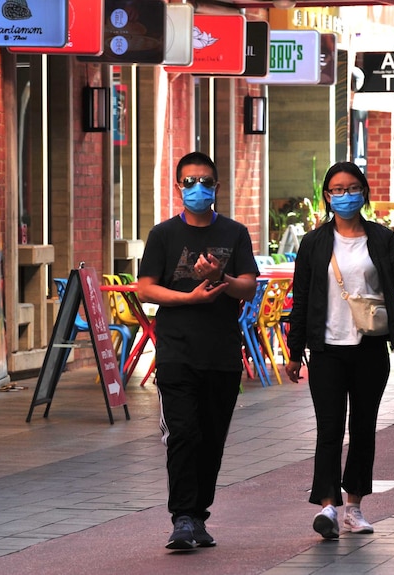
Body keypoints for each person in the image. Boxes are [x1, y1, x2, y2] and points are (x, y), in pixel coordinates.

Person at [284, 161, 394, 539]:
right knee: (329, 429)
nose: (344, 196)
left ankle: (354, 506)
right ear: (327, 197)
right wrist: (295, 351)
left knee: (363, 428)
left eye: (351, 188)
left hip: (369, 347)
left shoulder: (380, 239)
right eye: (336, 190)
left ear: (363, 192)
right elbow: (301, 301)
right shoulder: (314, 243)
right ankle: (328, 506)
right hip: (326, 349)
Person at [137, 151, 259, 550]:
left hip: (222, 354)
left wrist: (219, 276)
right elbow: (146, 288)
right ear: (178, 187)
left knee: (211, 438)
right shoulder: (163, 235)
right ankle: (183, 518)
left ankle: (199, 515)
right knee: (184, 434)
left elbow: (248, 286)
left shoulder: (235, 233)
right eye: (189, 182)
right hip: (176, 352)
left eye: (205, 181)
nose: (198, 188)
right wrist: (188, 298)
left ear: (217, 187)